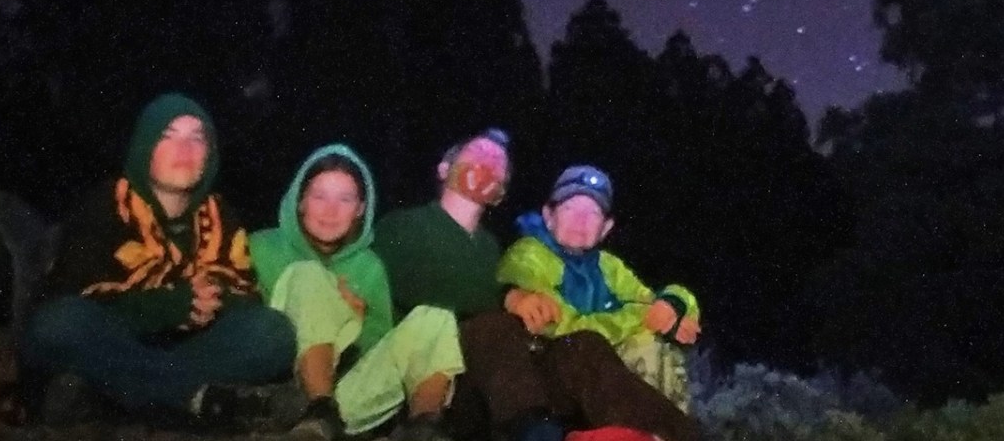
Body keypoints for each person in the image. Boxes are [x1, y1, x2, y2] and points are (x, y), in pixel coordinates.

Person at [372, 131, 701, 441]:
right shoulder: (402, 226)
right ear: (444, 168)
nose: (487, 166)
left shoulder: (488, 247)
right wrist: (508, 296)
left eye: (498, 164)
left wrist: (672, 304)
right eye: (477, 155)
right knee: (492, 327)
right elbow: (423, 289)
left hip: (514, 384)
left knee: (584, 345)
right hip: (447, 385)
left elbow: (646, 299)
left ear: (502, 190)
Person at [23, 92, 295, 425]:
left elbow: (245, 297)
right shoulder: (107, 207)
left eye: (197, 139)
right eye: (168, 137)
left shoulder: (221, 216)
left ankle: (122, 399)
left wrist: (211, 300)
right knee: (58, 324)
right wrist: (169, 306)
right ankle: (189, 399)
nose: (185, 150)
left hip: (185, 353)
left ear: (210, 155)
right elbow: (72, 296)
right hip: (118, 342)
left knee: (273, 333)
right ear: (144, 148)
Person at [251, 144, 465, 441]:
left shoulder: (369, 266)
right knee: (309, 274)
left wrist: (356, 322)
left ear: (360, 209)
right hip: (289, 396)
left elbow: (378, 348)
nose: (331, 210)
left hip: (348, 402)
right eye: (319, 196)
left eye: (345, 198)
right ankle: (318, 413)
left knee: (436, 317)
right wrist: (332, 310)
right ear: (300, 201)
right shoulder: (262, 248)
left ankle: (424, 428)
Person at [497, 165, 699, 410]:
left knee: (652, 347)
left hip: (597, 374)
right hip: (549, 378)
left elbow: (652, 299)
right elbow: (564, 328)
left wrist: (672, 305)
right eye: (570, 208)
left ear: (605, 228)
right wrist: (648, 318)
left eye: (593, 213)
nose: (580, 221)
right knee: (643, 344)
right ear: (549, 217)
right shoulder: (527, 256)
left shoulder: (607, 265)